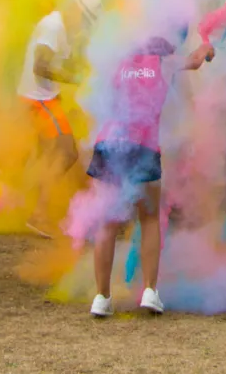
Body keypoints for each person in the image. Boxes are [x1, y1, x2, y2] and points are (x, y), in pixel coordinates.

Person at [88, 37, 215, 317]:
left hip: (109, 143)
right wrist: (207, 46)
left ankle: (101, 297)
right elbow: (194, 61)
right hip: (143, 146)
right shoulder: (163, 62)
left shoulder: (119, 63)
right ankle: (149, 291)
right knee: (148, 218)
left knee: (108, 223)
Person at [19, 0, 102, 237]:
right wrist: (74, 80)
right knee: (66, 153)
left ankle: (29, 208)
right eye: (85, 22)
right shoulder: (54, 27)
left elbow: (61, 64)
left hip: (44, 98)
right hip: (38, 100)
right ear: (77, 10)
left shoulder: (62, 28)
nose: (83, 28)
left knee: (48, 156)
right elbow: (40, 67)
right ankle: (39, 216)